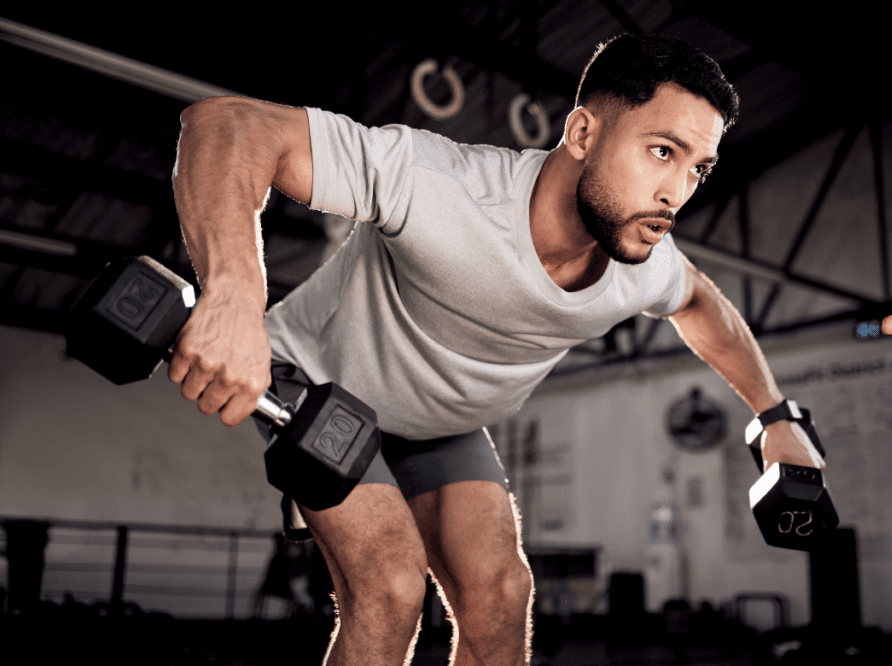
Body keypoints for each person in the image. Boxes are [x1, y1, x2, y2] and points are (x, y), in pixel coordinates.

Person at [169, 33, 825, 666]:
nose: (676, 193)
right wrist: (231, 292)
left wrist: (775, 417)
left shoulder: (643, 260)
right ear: (583, 134)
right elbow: (227, 125)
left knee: (502, 598)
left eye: (698, 169)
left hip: (439, 424)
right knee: (393, 588)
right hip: (319, 383)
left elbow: (700, 303)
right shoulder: (440, 184)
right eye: (661, 152)